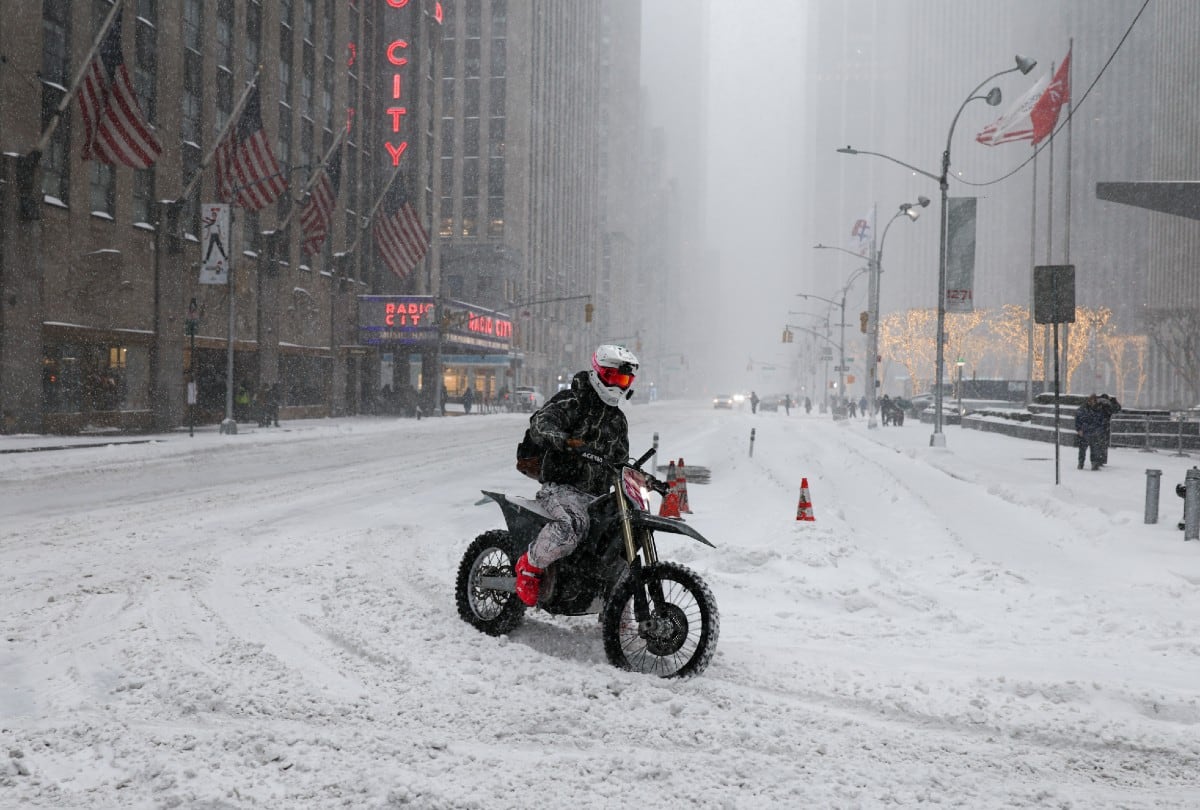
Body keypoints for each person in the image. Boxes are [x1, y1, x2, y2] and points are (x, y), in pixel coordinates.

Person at [513, 344, 637, 606]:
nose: (618, 384)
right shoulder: (571, 401)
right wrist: (566, 441)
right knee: (572, 526)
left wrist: (635, 475)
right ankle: (530, 566)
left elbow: (621, 460)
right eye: (614, 377)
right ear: (599, 373)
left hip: (597, 495)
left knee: (623, 531)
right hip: (561, 487)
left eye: (624, 379)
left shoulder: (617, 420)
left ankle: (616, 605)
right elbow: (540, 424)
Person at [1075, 394, 1107, 470]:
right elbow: (1078, 420)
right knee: (1082, 450)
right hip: (1085, 432)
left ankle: (1094, 464)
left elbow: (1101, 421)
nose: (1093, 402)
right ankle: (1081, 463)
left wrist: (1099, 430)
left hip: (1093, 432)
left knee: (1094, 449)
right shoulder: (1083, 409)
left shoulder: (1098, 409)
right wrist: (1079, 429)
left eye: (1094, 401)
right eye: (1091, 401)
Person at [1095, 393, 1122, 467]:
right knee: (1104, 444)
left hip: (1096, 427)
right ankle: (1101, 459)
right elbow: (1117, 409)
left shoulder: (1096, 404)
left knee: (1096, 444)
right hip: (1105, 426)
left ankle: (1096, 459)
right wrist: (1114, 401)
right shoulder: (1108, 405)